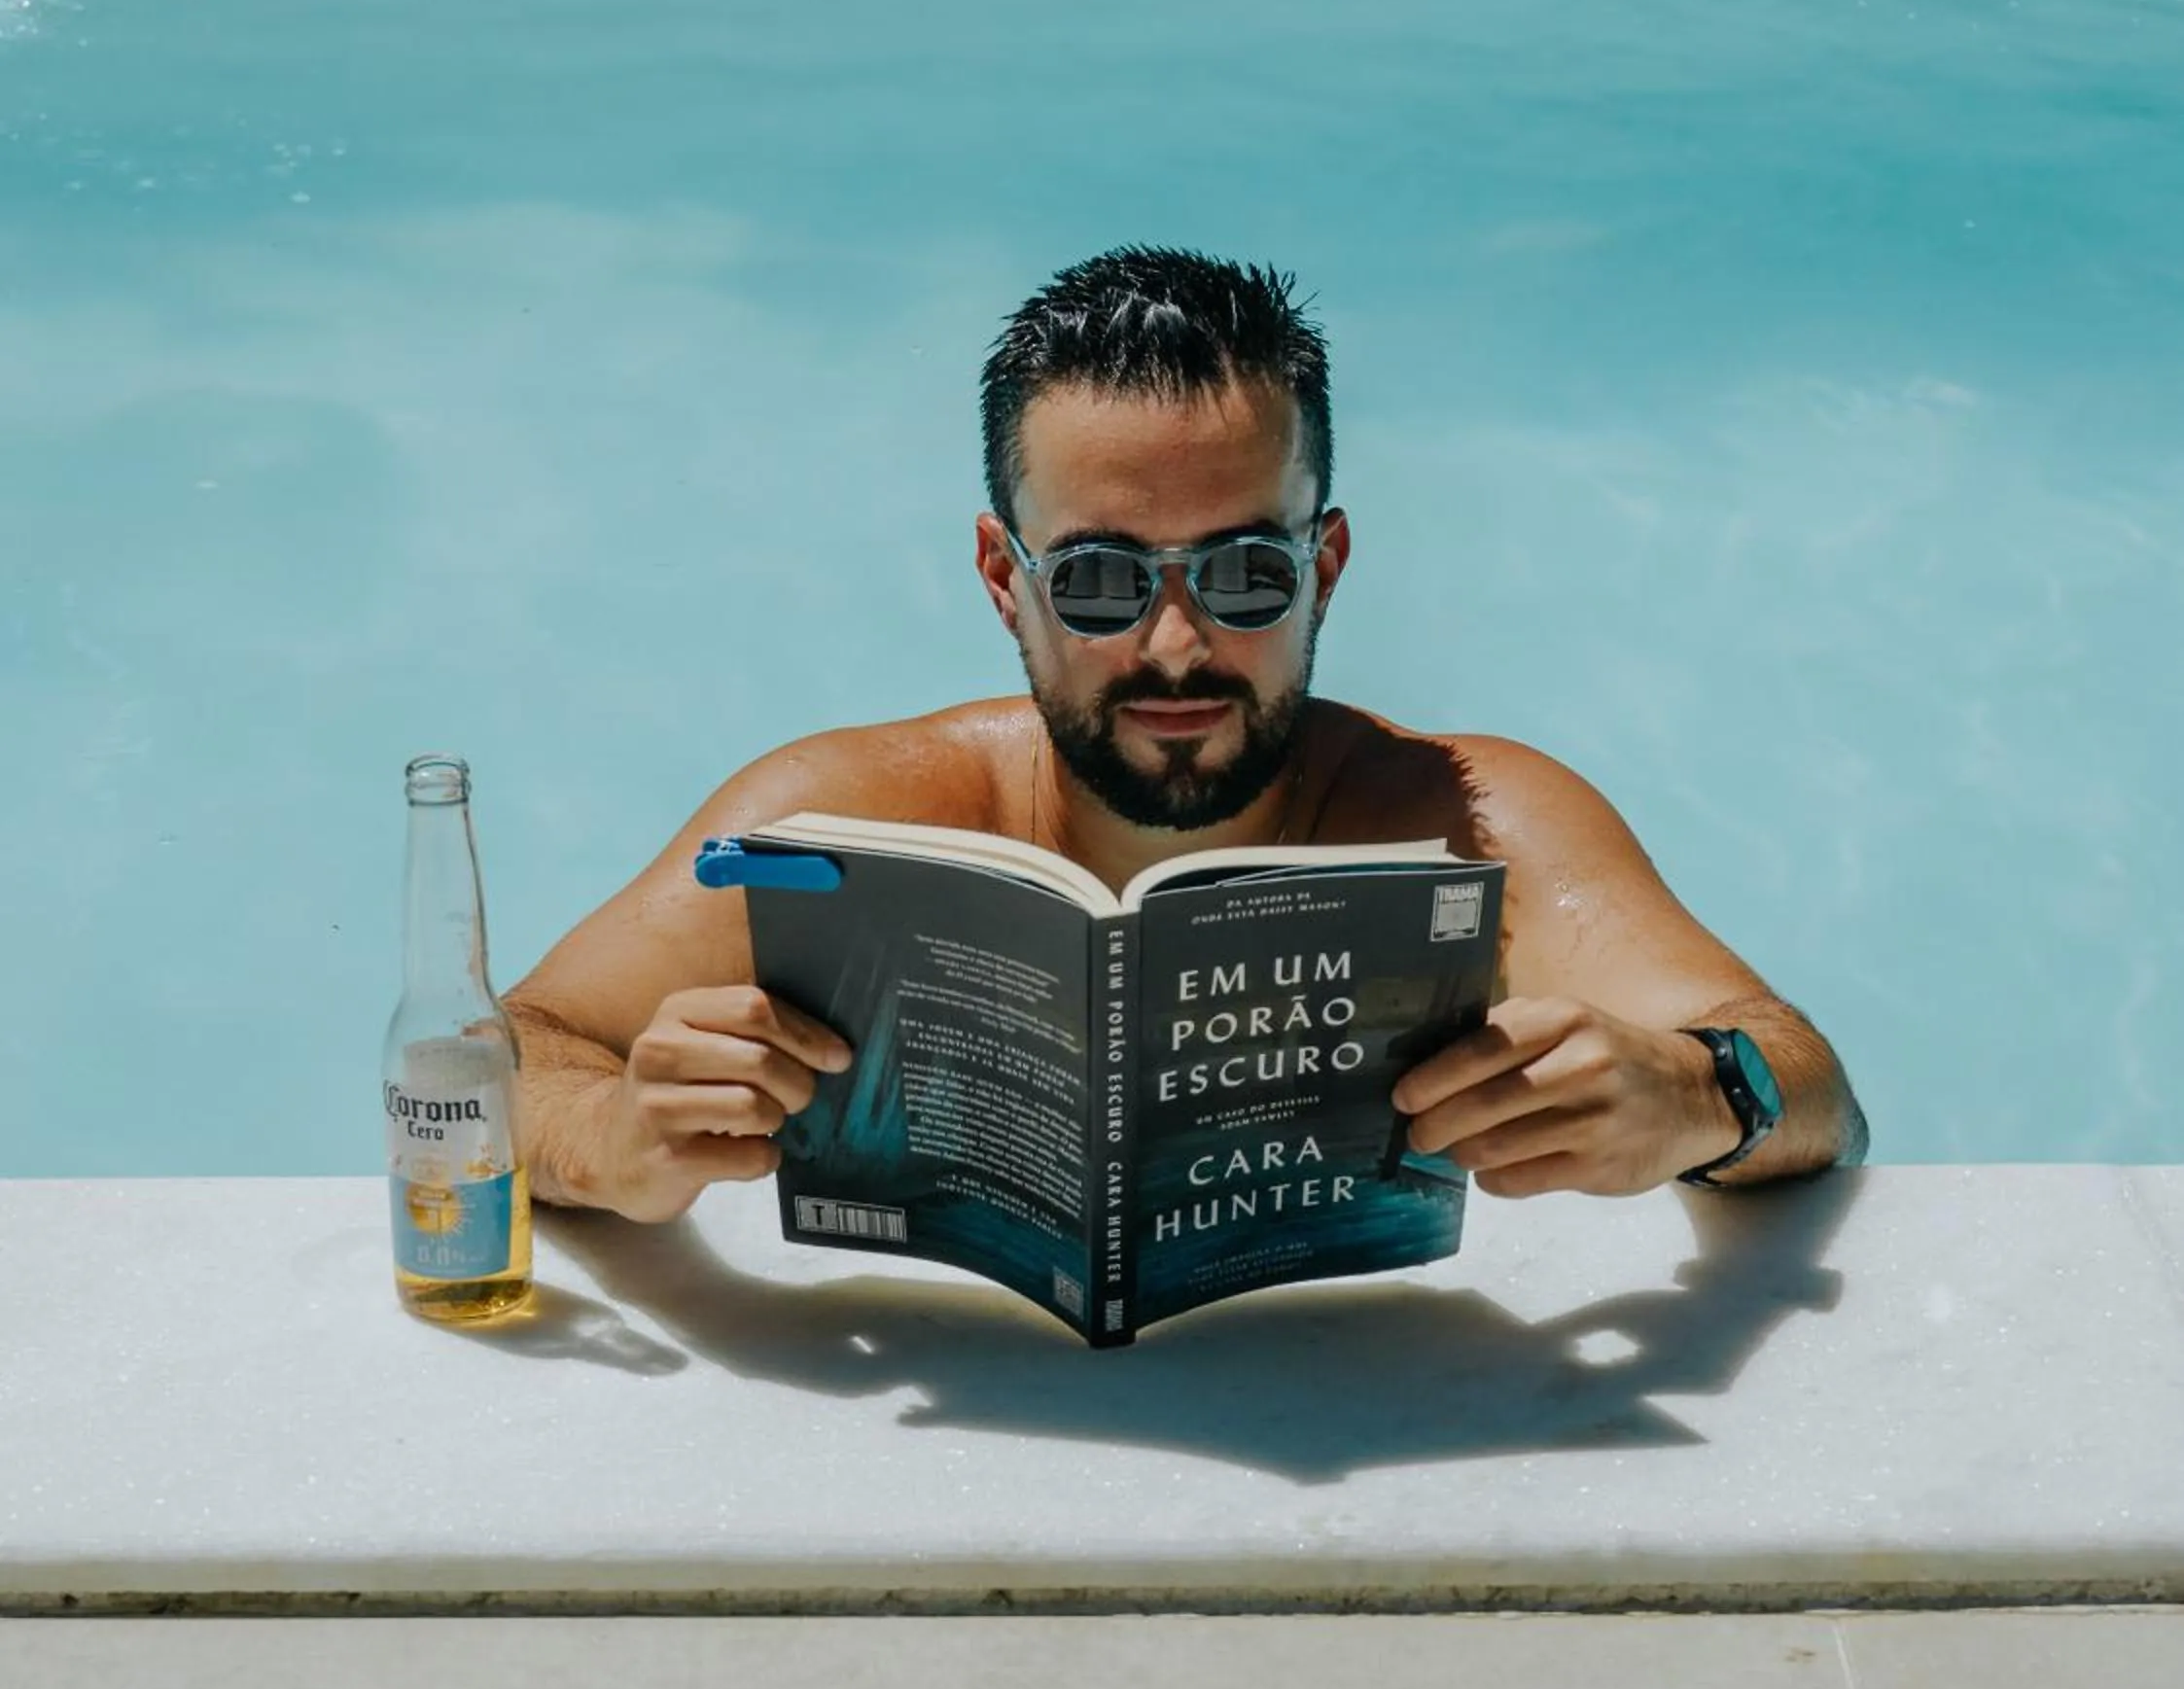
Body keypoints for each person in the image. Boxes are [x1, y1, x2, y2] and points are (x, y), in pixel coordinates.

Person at [506, 246, 1867, 1228]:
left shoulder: (1474, 825)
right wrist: (611, 1137)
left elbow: (1808, 1084)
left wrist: (1698, 1094)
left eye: (1242, 577)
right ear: (1003, 581)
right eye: (1099, 578)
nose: (1172, 645)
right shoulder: (842, 817)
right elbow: (503, 1049)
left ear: (1323, 568)